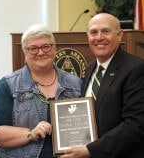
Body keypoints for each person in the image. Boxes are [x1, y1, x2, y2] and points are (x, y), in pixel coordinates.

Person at [0, 24, 82, 158]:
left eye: (46, 46)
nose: (41, 52)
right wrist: (31, 133)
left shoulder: (75, 83)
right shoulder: (8, 85)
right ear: (25, 52)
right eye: (33, 48)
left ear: (55, 48)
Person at [60, 13, 144, 158]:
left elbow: (135, 124)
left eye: (106, 31)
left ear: (119, 35)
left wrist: (91, 150)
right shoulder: (91, 67)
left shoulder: (136, 68)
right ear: (88, 36)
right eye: (93, 32)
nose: (99, 37)